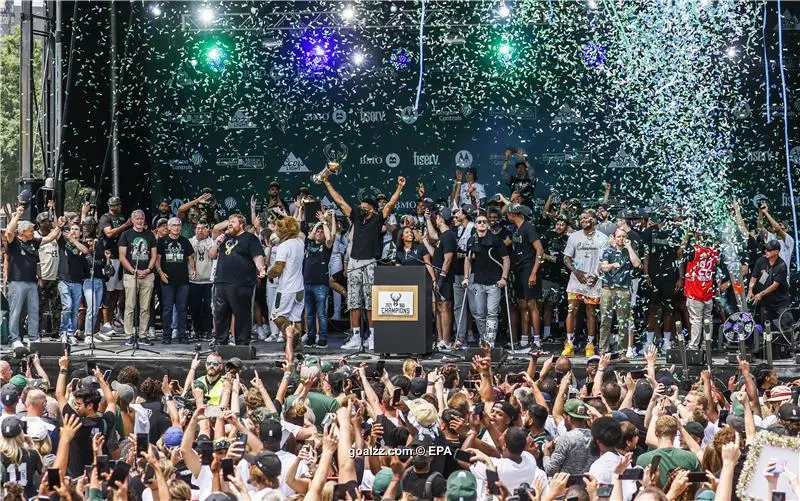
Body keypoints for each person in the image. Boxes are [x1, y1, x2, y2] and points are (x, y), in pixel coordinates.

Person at [323, 174, 405, 351]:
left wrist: (399, 187)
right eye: (360, 207)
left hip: (369, 263)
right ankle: (356, 336)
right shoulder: (356, 218)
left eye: (364, 207)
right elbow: (340, 201)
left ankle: (373, 337)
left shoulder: (377, 220)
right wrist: (326, 182)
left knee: (370, 302)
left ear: (372, 210)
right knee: (353, 301)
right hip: (353, 262)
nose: (360, 209)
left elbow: (390, 204)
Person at [5, 205, 59, 348]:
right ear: (22, 232)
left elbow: (51, 237)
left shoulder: (33, 242)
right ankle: (15, 338)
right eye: (30, 231)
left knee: (34, 310)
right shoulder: (14, 243)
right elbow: (9, 231)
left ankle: (33, 337)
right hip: (17, 282)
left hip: (32, 282)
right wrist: (17, 215)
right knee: (16, 311)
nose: (33, 232)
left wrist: (58, 225)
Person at [209, 213, 266, 346]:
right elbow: (212, 255)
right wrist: (217, 243)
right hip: (221, 282)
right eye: (229, 222)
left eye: (233, 222)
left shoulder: (250, 238)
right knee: (220, 315)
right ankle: (220, 343)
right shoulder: (224, 238)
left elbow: (257, 256)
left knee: (241, 315)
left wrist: (261, 268)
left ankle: (241, 344)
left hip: (241, 283)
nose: (230, 224)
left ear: (242, 225)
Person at [563, 209, 609, 357]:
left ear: (594, 220)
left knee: (591, 313)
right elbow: (566, 258)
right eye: (580, 218)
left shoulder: (602, 238)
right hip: (576, 281)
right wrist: (575, 271)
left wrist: (596, 275)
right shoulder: (574, 237)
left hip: (594, 281)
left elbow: (604, 261)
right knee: (572, 311)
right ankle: (569, 344)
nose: (582, 220)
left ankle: (590, 345)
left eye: (585, 218)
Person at [464, 213, 510, 348]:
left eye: (484, 221)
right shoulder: (472, 240)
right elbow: (467, 260)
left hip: (494, 282)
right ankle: (483, 338)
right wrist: (466, 278)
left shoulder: (495, 240)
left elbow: (506, 259)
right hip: (478, 282)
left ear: (488, 224)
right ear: (475, 225)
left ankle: (490, 341)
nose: (482, 224)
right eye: (479, 222)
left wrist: (504, 277)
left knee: (492, 312)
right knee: (479, 313)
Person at [598, 228, 642, 356]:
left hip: (623, 289)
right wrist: (612, 265)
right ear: (614, 237)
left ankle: (622, 351)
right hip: (608, 289)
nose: (621, 239)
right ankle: (603, 350)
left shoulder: (629, 251)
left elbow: (637, 263)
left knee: (623, 321)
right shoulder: (608, 251)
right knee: (605, 320)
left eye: (623, 236)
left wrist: (629, 247)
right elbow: (604, 267)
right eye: (619, 236)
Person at [507, 203, 544, 349]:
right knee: (522, 304)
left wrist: (534, 272)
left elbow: (540, 250)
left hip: (529, 268)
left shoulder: (528, 227)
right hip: (519, 269)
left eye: (508, 214)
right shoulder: (517, 229)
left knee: (532, 304)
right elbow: (505, 243)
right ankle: (524, 338)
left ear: (513, 215)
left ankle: (536, 339)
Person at [118, 209, 158, 346]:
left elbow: (154, 255)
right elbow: (122, 256)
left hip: (147, 275)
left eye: (142, 218)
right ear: (132, 220)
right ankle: (129, 335)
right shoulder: (125, 235)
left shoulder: (150, 235)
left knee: (145, 307)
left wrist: (148, 269)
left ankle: (143, 334)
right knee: (130, 306)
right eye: (137, 219)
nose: (140, 221)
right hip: (131, 275)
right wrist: (133, 271)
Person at [156, 217, 196, 344]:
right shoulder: (162, 241)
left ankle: (182, 335)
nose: (176, 227)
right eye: (173, 225)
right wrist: (161, 273)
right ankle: (166, 335)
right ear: (168, 227)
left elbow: (190, 258)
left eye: (178, 225)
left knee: (182, 309)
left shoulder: (185, 241)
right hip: (167, 280)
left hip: (183, 281)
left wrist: (193, 270)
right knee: (167, 309)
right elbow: (157, 259)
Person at [267, 216, 305, 347]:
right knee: (296, 318)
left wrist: (268, 274)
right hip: (300, 288)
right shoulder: (300, 242)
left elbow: (278, 268)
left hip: (286, 289)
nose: (276, 232)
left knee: (276, 316)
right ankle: (297, 345)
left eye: (278, 229)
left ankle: (293, 337)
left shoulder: (284, 246)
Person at [97, 196, 132, 335]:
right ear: (111, 206)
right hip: (110, 257)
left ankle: (116, 319)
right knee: (109, 292)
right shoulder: (105, 218)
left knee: (120, 291)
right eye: (116, 205)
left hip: (122, 257)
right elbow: (109, 233)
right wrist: (126, 225)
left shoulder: (122, 217)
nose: (119, 207)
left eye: (119, 204)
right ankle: (106, 322)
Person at [682, 233, 721, 351]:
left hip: (695, 291)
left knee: (696, 320)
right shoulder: (714, 251)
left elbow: (680, 251)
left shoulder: (694, 250)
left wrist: (687, 235)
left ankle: (693, 346)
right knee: (707, 319)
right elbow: (715, 267)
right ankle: (706, 345)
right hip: (708, 292)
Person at [636, 415, 700, 486]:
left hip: (655, 496)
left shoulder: (642, 459)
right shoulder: (691, 457)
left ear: (656, 433)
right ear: (675, 433)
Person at [303, 211, 334, 349]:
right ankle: (310, 338)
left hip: (321, 285)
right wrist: (318, 224)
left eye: (321, 231)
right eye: (318, 231)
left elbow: (329, 238)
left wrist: (324, 222)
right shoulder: (309, 243)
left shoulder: (327, 247)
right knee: (309, 315)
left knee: (321, 314)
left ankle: (322, 339)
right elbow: (310, 235)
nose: (319, 233)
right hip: (307, 283)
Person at [749, 239, 793, 335]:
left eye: (769, 250)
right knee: (765, 327)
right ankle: (765, 347)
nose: (766, 251)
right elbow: (754, 277)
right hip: (765, 302)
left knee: (786, 326)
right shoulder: (761, 261)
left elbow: (775, 285)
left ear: (776, 252)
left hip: (779, 302)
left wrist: (761, 293)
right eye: (766, 249)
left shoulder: (782, 265)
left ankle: (787, 346)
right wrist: (750, 290)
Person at [428, 207, 458, 348]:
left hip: (445, 278)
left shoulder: (449, 236)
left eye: (437, 216)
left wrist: (441, 279)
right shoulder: (442, 236)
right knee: (439, 307)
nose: (436, 219)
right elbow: (437, 253)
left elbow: (448, 259)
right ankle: (440, 340)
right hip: (438, 277)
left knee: (445, 307)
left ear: (441, 218)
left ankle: (446, 340)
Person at [56, 222, 89, 345]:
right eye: (72, 229)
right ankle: (63, 332)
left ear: (80, 232)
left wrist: (73, 240)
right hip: (64, 280)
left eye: (76, 229)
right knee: (67, 307)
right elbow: (56, 229)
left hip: (77, 282)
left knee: (75, 310)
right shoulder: (63, 242)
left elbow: (85, 251)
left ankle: (71, 333)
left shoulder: (83, 243)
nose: (74, 231)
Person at [540, 216, 570, 346]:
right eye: (557, 224)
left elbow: (561, 260)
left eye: (562, 225)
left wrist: (547, 256)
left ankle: (547, 334)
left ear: (567, 227)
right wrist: (545, 257)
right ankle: (534, 334)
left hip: (558, 278)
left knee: (550, 306)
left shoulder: (568, 240)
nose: (559, 227)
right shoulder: (547, 235)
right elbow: (539, 250)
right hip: (544, 277)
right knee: (538, 305)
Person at [188, 221, 214, 341]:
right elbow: (190, 256)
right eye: (198, 228)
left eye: (203, 228)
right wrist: (197, 242)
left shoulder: (212, 242)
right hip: (194, 280)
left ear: (208, 230)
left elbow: (214, 255)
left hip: (208, 280)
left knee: (208, 307)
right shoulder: (191, 241)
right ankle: (196, 329)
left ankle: (207, 330)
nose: (200, 230)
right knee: (195, 307)